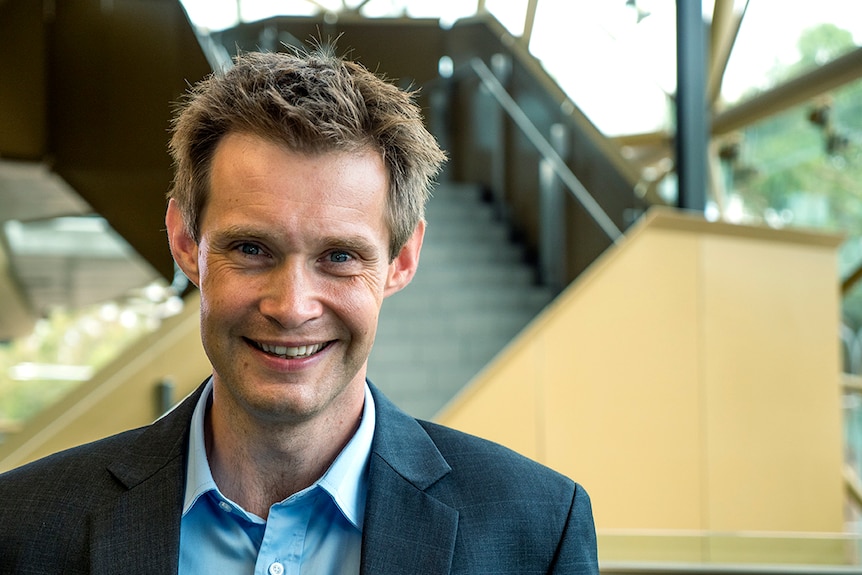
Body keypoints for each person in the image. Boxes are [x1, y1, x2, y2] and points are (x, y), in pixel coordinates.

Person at [0, 48, 598, 574]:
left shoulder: (536, 534)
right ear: (186, 242)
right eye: (251, 249)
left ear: (402, 259)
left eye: (339, 256)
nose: (291, 307)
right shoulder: (20, 529)